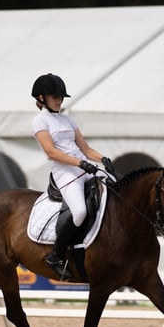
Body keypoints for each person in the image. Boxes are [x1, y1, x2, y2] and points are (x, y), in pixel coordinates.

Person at [31, 73, 115, 280]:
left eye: (61, 97)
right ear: (41, 98)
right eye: (55, 96)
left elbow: (85, 148)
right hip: (64, 172)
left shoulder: (68, 119)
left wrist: (103, 159)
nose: (59, 100)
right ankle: (56, 255)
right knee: (79, 211)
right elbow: (51, 152)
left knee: (115, 189)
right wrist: (80, 164)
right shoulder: (40, 121)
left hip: (83, 167)